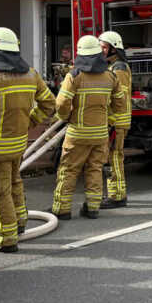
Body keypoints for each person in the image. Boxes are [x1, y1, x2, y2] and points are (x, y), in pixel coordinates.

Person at [0, 27, 56, 253]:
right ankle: (20, 222)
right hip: (18, 144)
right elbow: (49, 103)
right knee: (15, 183)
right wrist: (30, 122)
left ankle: (6, 239)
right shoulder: (31, 74)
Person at [52, 35, 128, 220]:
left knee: (69, 169)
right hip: (100, 133)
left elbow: (61, 103)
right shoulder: (110, 76)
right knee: (95, 169)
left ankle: (62, 209)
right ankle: (93, 208)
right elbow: (120, 103)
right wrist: (108, 119)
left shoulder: (75, 76)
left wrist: (65, 116)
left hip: (77, 132)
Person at [98, 30, 132, 209]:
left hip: (116, 121)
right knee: (114, 156)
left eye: (104, 47)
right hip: (115, 120)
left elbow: (118, 96)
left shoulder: (119, 69)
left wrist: (110, 121)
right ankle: (117, 192)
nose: (101, 50)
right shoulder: (114, 67)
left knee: (114, 158)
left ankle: (117, 196)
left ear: (113, 49)